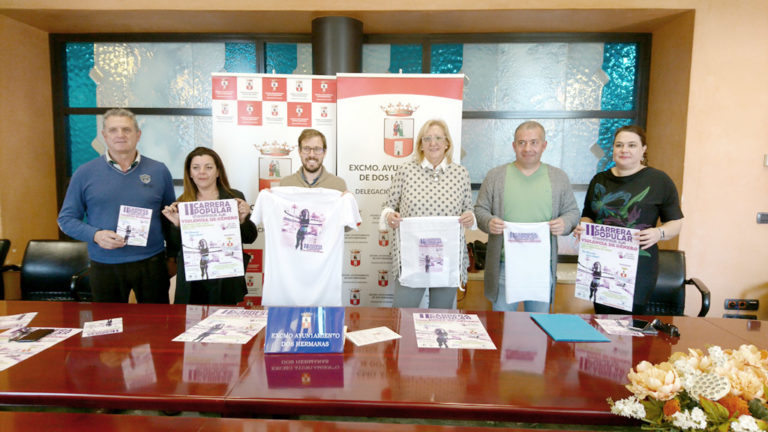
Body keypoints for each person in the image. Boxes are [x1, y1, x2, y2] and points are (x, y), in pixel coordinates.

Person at [58, 108, 175, 303]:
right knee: (108, 327)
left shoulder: (159, 170)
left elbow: (169, 217)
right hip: (105, 264)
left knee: (158, 325)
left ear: (138, 135)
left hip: (151, 263)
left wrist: (173, 257)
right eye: (113, 130)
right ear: (104, 135)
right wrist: (95, 235)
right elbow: (66, 219)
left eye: (126, 130)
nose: (120, 135)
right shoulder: (85, 173)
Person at [575, 125, 683, 315]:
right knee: (603, 320)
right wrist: (583, 228)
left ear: (643, 149)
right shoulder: (599, 180)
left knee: (628, 326)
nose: (624, 150)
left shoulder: (659, 180)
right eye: (619, 145)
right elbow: (588, 216)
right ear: (613, 149)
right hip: (602, 263)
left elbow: (676, 223)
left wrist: (659, 233)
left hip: (639, 267)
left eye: (632, 145)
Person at [475, 121, 580, 313]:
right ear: (514, 146)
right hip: (503, 265)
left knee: (538, 328)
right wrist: (488, 222)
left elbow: (572, 212)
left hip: (542, 266)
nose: (528, 148)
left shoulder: (558, 177)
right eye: (522, 142)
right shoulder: (495, 176)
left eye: (534, 142)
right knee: (501, 324)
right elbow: (480, 209)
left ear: (544, 145)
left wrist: (564, 223)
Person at [381, 119, 475, 308]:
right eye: (428, 138)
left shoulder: (460, 173)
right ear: (421, 144)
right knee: (403, 315)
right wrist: (389, 217)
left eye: (439, 138)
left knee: (440, 318)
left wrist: (469, 217)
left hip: (446, 257)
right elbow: (388, 207)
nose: (433, 143)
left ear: (447, 143)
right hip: (411, 257)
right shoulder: (405, 171)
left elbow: (468, 210)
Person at [162, 147, 257, 305]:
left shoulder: (234, 198)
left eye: (209, 167)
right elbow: (175, 247)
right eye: (196, 168)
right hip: (193, 280)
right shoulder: (182, 203)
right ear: (190, 173)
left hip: (226, 277)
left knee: (226, 325)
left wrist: (243, 219)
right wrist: (177, 225)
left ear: (218, 172)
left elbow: (250, 238)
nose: (202, 172)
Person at [280, 128, 347, 192]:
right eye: (306, 149)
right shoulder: (285, 184)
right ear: (299, 151)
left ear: (324, 152)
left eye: (317, 149)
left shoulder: (339, 185)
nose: (311, 155)